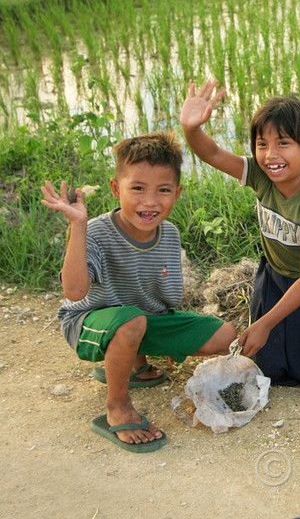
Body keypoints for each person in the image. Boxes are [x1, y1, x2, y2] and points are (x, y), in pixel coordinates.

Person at [42, 132, 237, 452]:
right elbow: (75, 292)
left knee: (225, 334)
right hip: (87, 323)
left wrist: (177, 338)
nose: (150, 202)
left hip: (136, 322)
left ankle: (133, 362)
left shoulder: (170, 234)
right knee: (131, 321)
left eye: (163, 190)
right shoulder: (97, 231)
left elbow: (168, 300)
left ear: (177, 193)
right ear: (116, 188)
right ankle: (117, 407)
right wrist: (77, 226)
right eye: (137, 188)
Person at [180, 83, 300, 391]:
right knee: (266, 365)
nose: (271, 155)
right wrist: (191, 129)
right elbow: (212, 152)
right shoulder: (261, 177)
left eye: (283, 143)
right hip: (273, 278)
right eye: (262, 144)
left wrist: (265, 323)